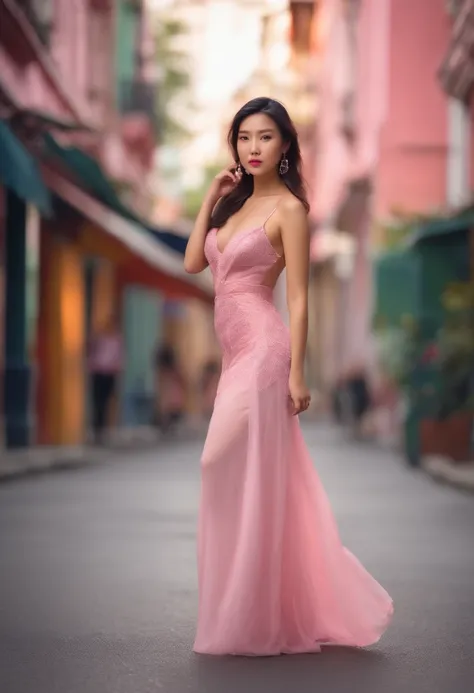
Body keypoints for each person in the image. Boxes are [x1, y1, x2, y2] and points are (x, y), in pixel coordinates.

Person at [184, 97, 393, 656]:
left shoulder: (291, 212)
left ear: (286, 147)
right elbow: (191, 264)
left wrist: (299, 374)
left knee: (217, 462)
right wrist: (210, 197)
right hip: (234, 358)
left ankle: (250, 610)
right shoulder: (232, 207)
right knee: (245, 477)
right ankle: (248, 605)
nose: (253, 148)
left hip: (265, 353)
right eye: (244, 137)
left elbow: (299, 300)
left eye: (265, 137)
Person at [88, 318, 123, 444]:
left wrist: (116, 368)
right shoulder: (99, 340)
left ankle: (104, 428)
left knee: (107, 401)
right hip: (98, 373)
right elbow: (92, 355)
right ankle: (97, 427)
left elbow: (119, 358)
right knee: (98, 401)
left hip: (110, 374)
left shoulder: (117, 341)